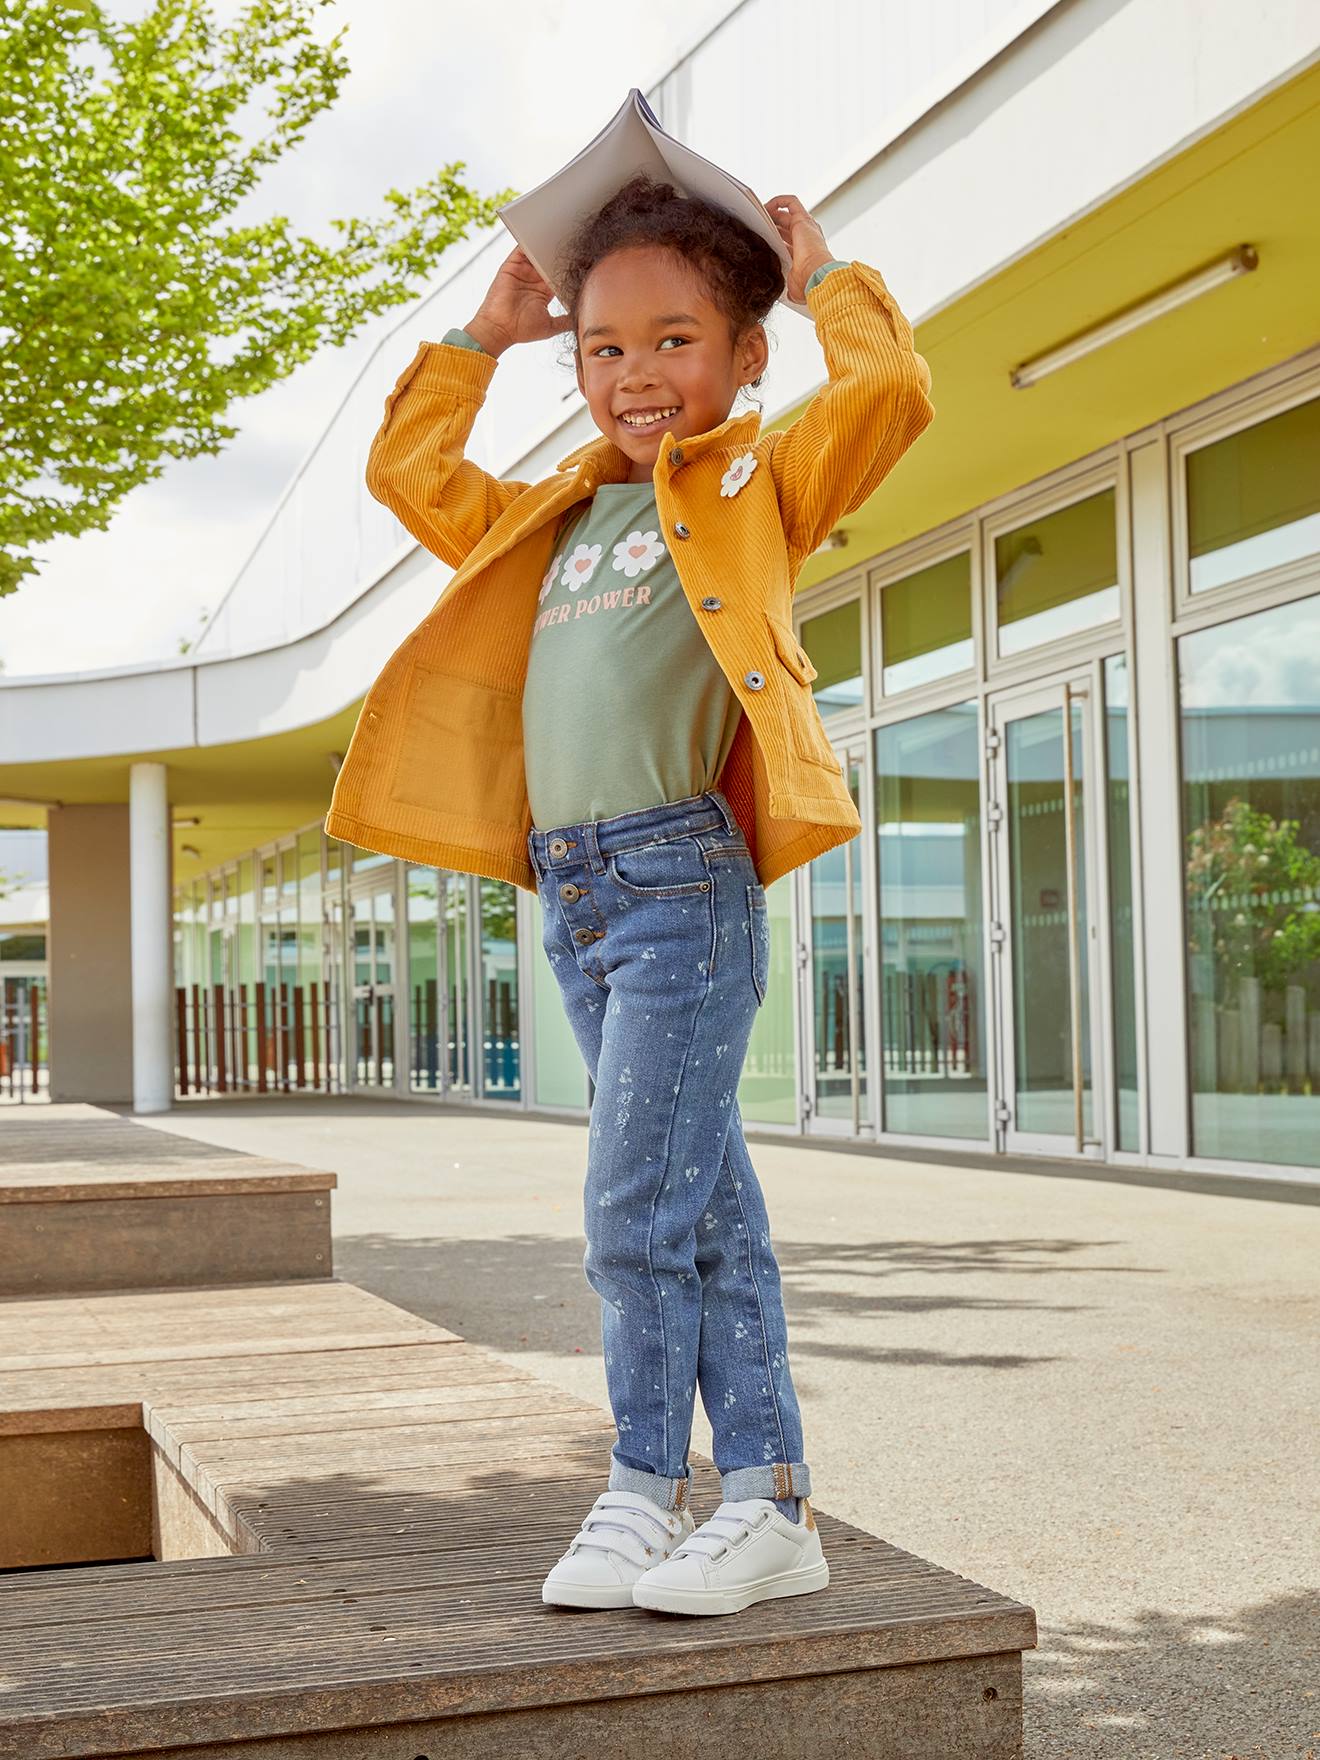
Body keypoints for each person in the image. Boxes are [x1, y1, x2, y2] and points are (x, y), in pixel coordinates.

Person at [327, 171, 935, 1617]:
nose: (638, 374)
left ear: (744, 357)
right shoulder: (552, 518)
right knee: (699, 1203)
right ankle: (773, 1500)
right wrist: (484, 331)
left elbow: (892, 394)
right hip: (578, 897)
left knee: (630, 1215)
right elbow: (411, 476)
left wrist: (827, 276)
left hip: (681, 886)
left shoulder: (753, 486)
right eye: (604, 348)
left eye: (676, 340)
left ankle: (644, 1486)